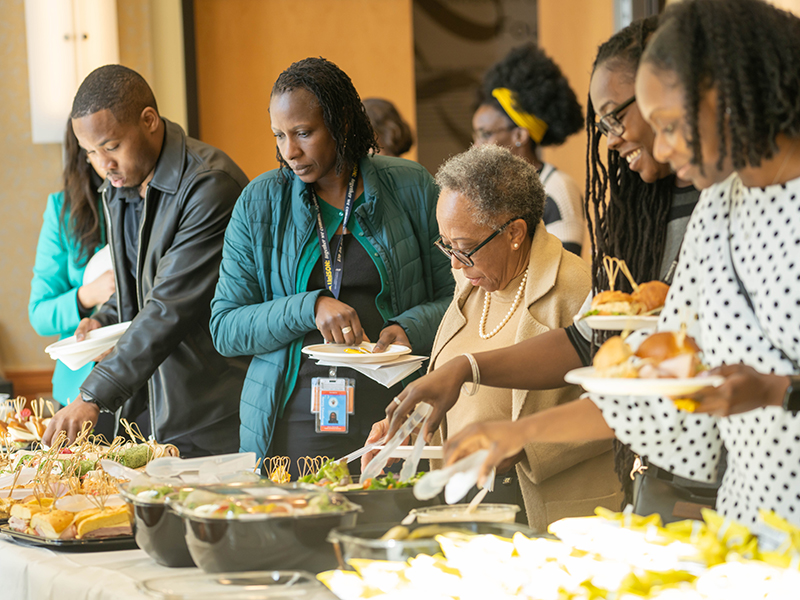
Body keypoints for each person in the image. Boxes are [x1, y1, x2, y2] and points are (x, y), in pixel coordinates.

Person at [444, 0, 800, 527]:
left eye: (673, 123)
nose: (666, 145)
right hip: (751, 524)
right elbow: (650, 383)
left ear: (731, 96)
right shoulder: (718, 210)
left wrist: (777, 390)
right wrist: (520, 432)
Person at [378, 16, 704, 508]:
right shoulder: (640, 212)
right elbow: (587, 344)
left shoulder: (571, 258)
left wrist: (521, 435)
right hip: (661, 475)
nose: (610, 139)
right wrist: (461, 372)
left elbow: (607, 377)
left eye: (616, 117)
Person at [210, 58, 453, 473]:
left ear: (341, 124)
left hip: (396, 410)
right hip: (294, 421)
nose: (290, 152)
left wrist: (411, 327)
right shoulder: (258, 203)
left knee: (392, 528)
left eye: (303, 133)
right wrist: (311, 306)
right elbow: (225, 328)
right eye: (280, 136)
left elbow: (459, 297)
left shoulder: (411, 186)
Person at [42, 65, 250, 457]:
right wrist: (103, 319)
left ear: (149, 121)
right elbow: (136, 287)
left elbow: (168, 307)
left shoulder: (208, 185)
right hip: (150, 408)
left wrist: (92, 395)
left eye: (111, 146)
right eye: (91, 153)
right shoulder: (122, 186)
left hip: (212, 410)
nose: (104, 165)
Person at [413, 144, 624, 529]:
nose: (453, 264)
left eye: (463, 250)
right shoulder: (472, 281)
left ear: (514, 233)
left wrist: (524, 441)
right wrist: (415, 423)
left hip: (549, 506)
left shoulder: (575, 288)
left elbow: (621, 410)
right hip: (469, 498)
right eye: (446, 246)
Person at [29, 120, 113, 407]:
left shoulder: (149, 199)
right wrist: (86, 295)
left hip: (148, 379)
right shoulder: (62, 210)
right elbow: (39, 313)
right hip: (79, 386)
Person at [473, 44, 585, 255]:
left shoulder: (558, 189)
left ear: (519, 136)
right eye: (476, 134)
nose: (476, 146)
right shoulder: (495, 189)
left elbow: (564, 274)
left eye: (485, 134)